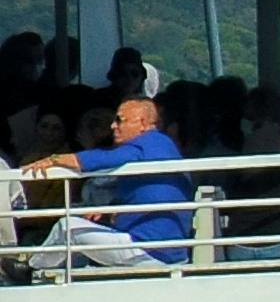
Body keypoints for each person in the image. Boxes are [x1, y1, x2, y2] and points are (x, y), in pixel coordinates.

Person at [30, 91, 198, 270]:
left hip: (146, 251)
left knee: (68, 227)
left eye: (120, 120)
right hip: (167, 253)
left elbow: (103, 159)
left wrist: (54, 160)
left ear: (142, 123)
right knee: (80, 237)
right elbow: (146, 193)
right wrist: (109, 209)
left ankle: (30, 269)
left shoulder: (147, 143)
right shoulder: (162, 146)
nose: (112, 126)